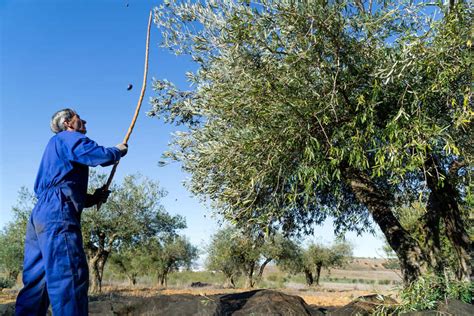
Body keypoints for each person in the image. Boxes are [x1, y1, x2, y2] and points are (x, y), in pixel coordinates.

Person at [15, 109, 128, 315]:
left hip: (42, 214)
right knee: (68, 275)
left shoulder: (55, 147)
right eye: (79, 119)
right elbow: (95, 154)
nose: (84, 121)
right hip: (57, 211)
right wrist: (116, 151)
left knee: (36, 282)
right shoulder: (67, 138)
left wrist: (93, 198)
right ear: (68, 123)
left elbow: (65, 188)